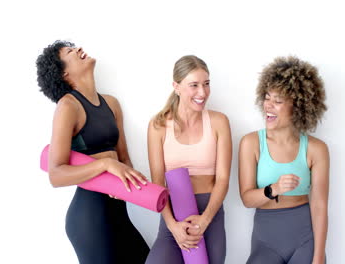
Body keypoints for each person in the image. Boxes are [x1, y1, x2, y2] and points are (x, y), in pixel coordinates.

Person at [36, 40, 150, 264]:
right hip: (89, 218)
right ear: (64, 72)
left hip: (118, 212)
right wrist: (105, 165)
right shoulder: (68, 106)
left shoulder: (111, 103)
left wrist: (131, 183)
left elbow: (123, 157)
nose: (78, 49)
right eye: (70, 51)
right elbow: (56, 174)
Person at [238, 56, 329, 264]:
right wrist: (275, 188)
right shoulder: (251, 143)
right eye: (267, 97)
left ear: (298, 107)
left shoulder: (316, 149)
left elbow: (320, 206)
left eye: (278, 101)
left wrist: (318, 257)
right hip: (266, 239)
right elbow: (246, 199)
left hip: (305, 240)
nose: (268, 105)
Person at [145, 55, 232, 264]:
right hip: (172, 216)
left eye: (206, 84)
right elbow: (157, 183)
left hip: (209, 214)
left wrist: (205, 220)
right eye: (194, 85)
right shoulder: (158, 126)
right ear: (176, 86)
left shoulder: (219, 122)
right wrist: (172, 226)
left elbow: (222, 179)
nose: (202, 92)